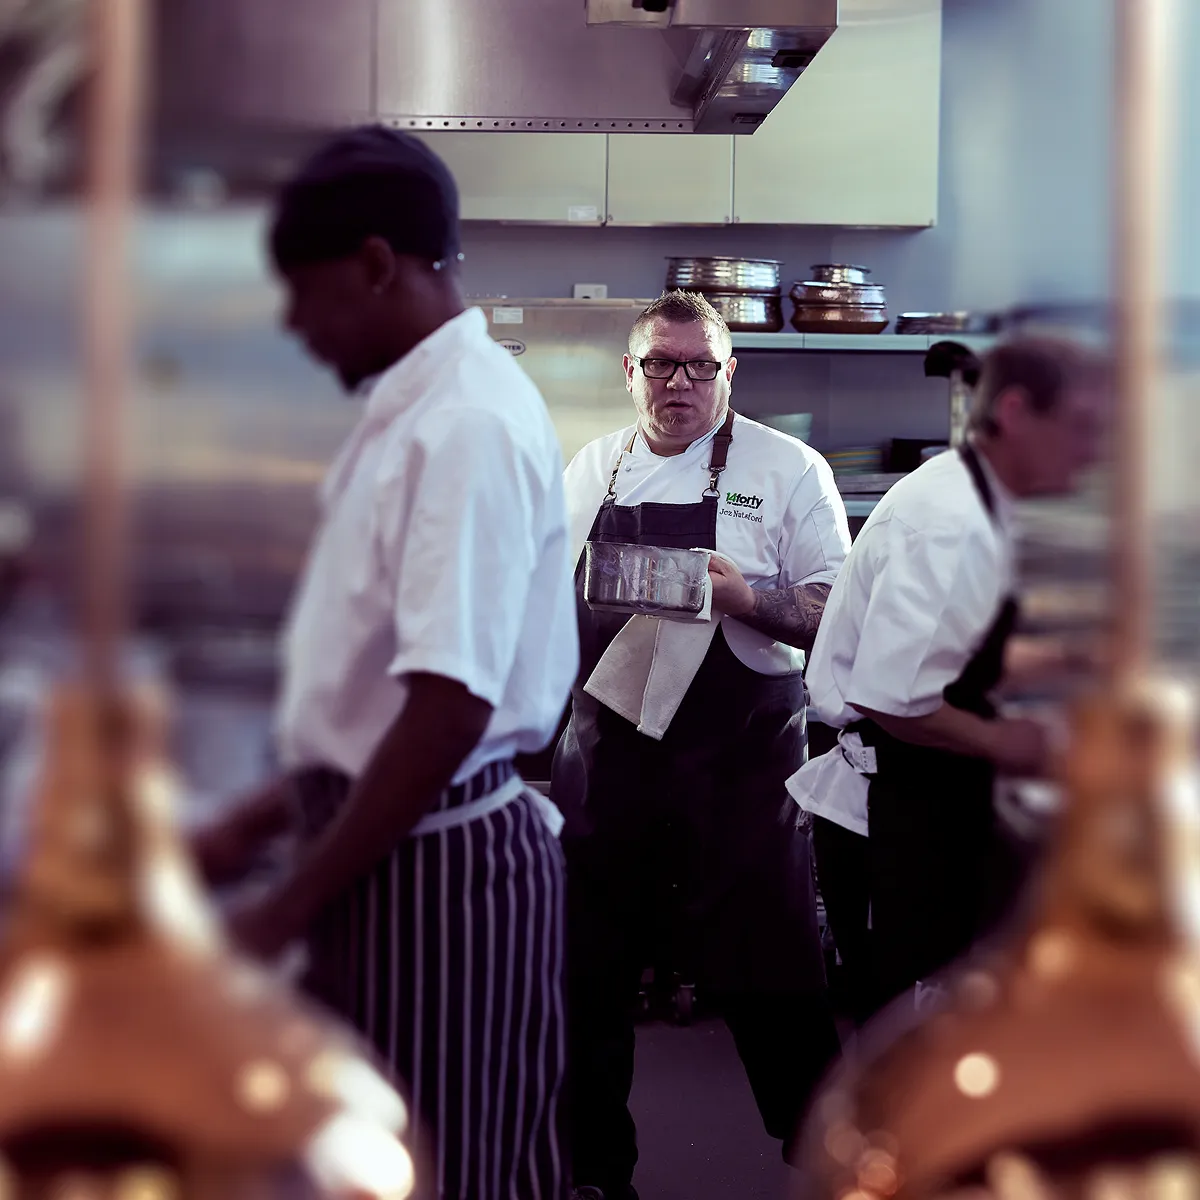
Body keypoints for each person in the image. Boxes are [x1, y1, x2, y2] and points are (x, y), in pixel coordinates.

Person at [189, 126, 579, 1200]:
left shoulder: (465, 424)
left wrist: (288, 900)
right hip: (390, 858)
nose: (297, 326)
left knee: (434, 1172)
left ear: (375, 264)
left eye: (307, 294)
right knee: (386, 1161)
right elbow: (372, 698)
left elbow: (448, 709)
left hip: (433, 879)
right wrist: (258, 822)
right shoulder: (409, 414)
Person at [554, 290, 852, 1200]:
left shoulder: (789, 467)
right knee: (588, 986)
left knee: (778, 984)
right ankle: (600, 1178)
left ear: (730, 371)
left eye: (699, 366)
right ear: (631, 372)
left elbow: (835, 610)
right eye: (660, 364)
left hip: (740, 778)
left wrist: (743, 598)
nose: (679, 383)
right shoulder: (591, 470)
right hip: (609, 772)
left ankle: (838, 1167)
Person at [789, 338, 1106, 1017]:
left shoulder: (1000, 494)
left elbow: (957, 646)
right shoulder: (950, 520)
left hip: (945, 790)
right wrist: (1012, 745)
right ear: (1017, 414)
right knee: (914, 1028)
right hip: (899, 797)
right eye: (1081, 428)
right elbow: (898, 699)